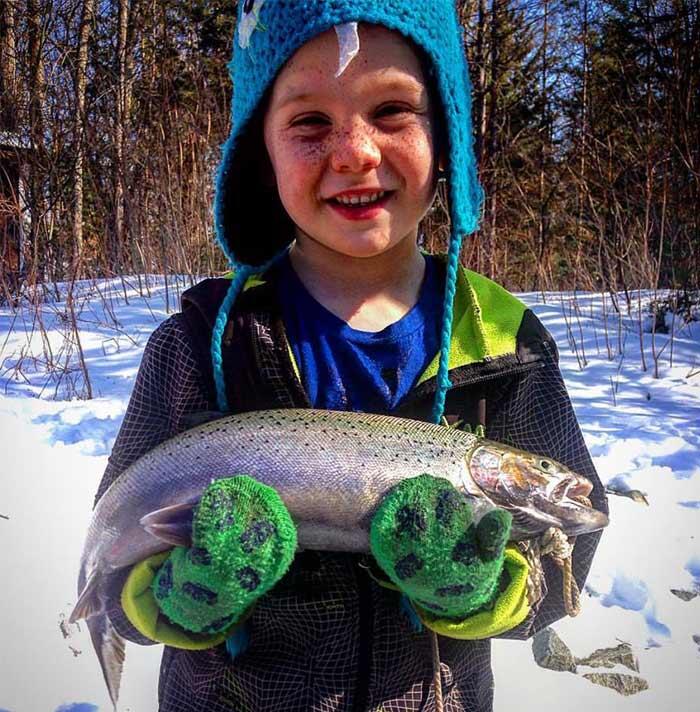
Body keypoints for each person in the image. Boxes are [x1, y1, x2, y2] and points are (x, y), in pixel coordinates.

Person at [95, 2, 608, 710]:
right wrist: (175, 602)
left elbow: (564, 565)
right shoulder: (201, 339)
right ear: (259, 154)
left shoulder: (505, 343)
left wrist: (484, 591)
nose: (355, 152)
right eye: (310, 122)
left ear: (447, 138)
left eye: (393, 110)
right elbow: (114, 562)